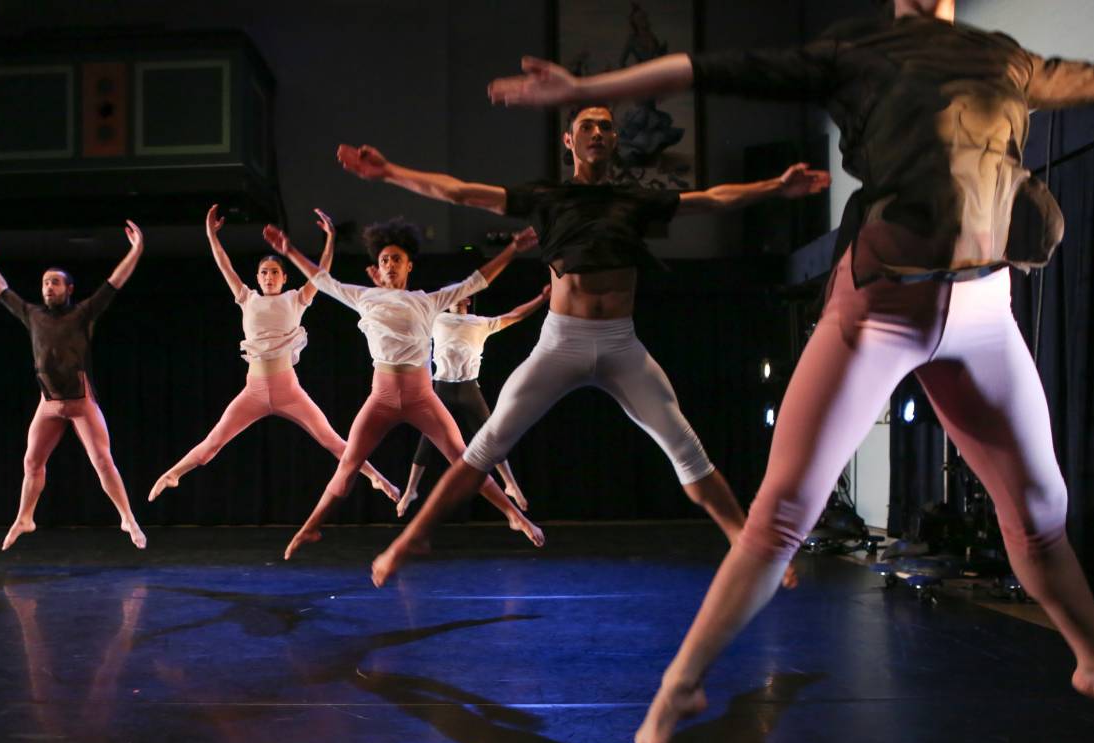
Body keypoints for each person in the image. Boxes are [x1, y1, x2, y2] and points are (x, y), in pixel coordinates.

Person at [485, 0, 1094, 743]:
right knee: (782, 515)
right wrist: (584, 86)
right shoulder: (860, 51)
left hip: (983, 310)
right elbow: (708, 68)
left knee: (1042, 513)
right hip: (880, 310)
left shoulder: (1003, 58)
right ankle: (683, 680)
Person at [344, 111, 827, 587]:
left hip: (621, 344)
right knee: (483, 448)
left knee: (687, 448)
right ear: (568, 142)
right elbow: (459, 191)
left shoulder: (633, 199)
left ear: (616, 140)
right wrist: (390, 172)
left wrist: (775, 186)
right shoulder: (548, 197)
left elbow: (711, 199)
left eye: (606, 126)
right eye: (586, 127)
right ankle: (410, 542)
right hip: (561, 342)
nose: (597, 132)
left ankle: (749, 547)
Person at [261, 218, 544, 560]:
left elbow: (477, 280)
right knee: (349, 463)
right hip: (381, 398)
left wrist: (513, 249)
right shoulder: (363, 297)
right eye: (384, 260)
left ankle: (514, 515)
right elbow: (322, 280)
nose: (390, 265)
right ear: (377, 269)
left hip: (421, 396)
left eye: (396, 259)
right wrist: (288, 249)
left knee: (465, 458)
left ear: (409, 265)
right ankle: (311, 526)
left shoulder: (427, 301)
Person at [148, 206, 399, 505]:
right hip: (253, 391)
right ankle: (173, 474)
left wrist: (330, 240)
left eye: (275, 273)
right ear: (257, 277)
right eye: (264, 273)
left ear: (283, 278)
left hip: (288, 391)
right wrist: (211, 236)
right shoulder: (247, 298)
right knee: (212, 444)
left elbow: (322, 275)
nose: (269, 277)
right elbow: (225, 266)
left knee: (333, 440)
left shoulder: (296, 299)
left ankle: (376, 477)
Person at [0, 221, 147, 551]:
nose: (48, 287)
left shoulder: (83, 313)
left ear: (69, 289)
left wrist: (136, 250)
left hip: (81, 403)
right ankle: (25, 518)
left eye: (55, 283)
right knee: (31, 463)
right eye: (45, 283)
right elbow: (0, 290)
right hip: (49, 404)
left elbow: (114, 283)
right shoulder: (32, 314)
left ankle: (127, 518)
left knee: (102, 461)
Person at [396, 286, 549, 518]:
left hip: (469, 388)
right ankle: (410, 491)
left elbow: (515, 315)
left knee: (491, 436)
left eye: (461, 296)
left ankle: (510, 484)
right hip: (442, 388)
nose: (456, 300)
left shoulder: (480, 323)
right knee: (427, 439)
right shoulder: (436, 319)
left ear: (467, 300)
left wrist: (541, 297)